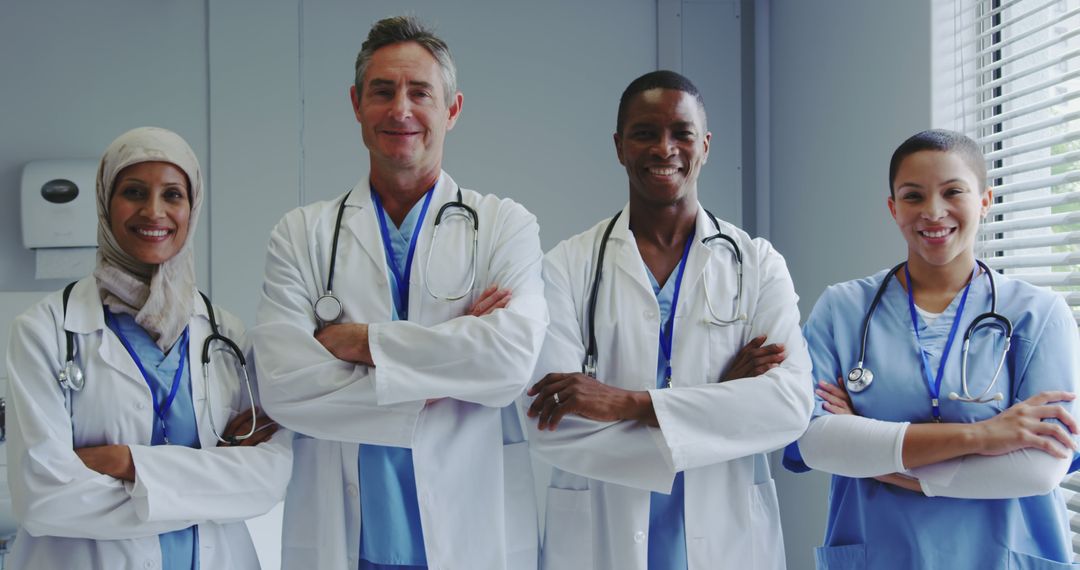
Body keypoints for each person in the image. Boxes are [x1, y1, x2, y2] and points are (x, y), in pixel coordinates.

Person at [249, 16, 548, 570]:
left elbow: (508, 361)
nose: (401, 110)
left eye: (420, 93)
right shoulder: (302, 234)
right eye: (382, 92)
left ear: (452, 109)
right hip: (345, 539)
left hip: (468, 531)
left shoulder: (505, 225)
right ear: (357, 104)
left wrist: (358, 343)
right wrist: (447, 372)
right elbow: (283, 385)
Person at [526, 70, 813, 570]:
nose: (664, 149)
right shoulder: (567, 267)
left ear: (705, 145)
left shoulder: (758, 263)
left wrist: (626, 404)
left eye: (681, 133)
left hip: (728, 537)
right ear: (619, 146)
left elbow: (788, 406)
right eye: (644, 133)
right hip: (603, 537)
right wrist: (721, 402)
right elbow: (550, 423)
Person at [785, 129, 1080, 569]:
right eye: (913, 196)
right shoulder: (843, 309)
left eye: (953, 192)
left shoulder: (1039, 314)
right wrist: (982, 437)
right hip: (882, 552)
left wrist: (875, 457)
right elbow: (817, 443)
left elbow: (1037, 470)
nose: (933, 212)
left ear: (984, 200)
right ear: (893, 208)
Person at [5, 126, 292, 569]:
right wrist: (213, 483)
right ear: (105, 202)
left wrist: (125, 462)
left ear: (192, 208)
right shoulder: (45, 331)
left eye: (172, 195)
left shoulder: (227, 336)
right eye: (134, 191)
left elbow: (267, 481)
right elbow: (44, 499)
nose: (153, 211)